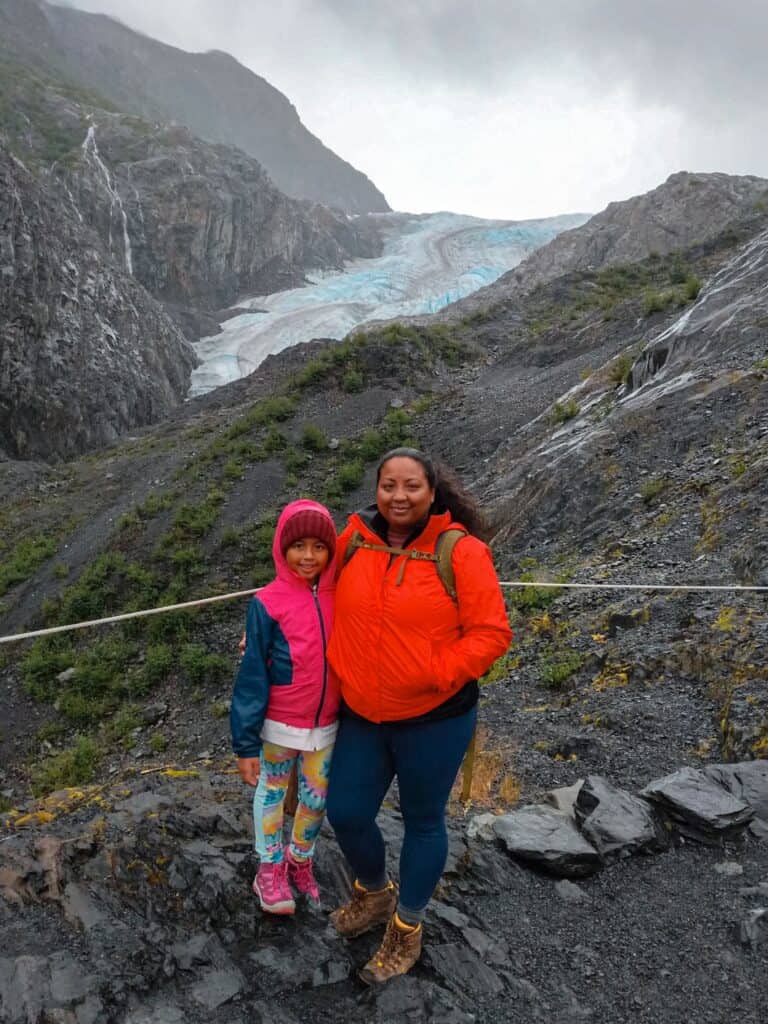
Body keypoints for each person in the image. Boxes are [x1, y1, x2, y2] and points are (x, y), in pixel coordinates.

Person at [325, 447, 512, 983]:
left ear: (433, 493)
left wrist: (436, 670)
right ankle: (375, 893)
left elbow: (492, 633)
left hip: (435, 716)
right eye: (388, 486)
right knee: (348, 811)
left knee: (423, 821)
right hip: (363, 711)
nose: (398, 496)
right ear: (376, 491)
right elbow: (312, 587)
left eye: (410, 487)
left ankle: (406, 926)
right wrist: (266, 625)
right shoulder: (355, 538)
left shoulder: (462, 552)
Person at [230, 499, 339, 915]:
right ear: (282, 548)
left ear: (330, 551)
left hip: (326, 725)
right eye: (298, 546)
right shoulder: (267, 602)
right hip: (278, 725)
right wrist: (243, 744)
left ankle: (299, 860)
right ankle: (269, 869)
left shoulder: (339, 594)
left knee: (316, 799)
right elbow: (253, 673)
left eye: (318, 546)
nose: (308, 556)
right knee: (272, 793)